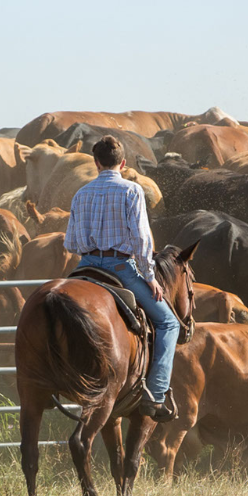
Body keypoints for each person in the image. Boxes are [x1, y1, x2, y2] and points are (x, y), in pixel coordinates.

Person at [65, 137, 179, 422]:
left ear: (96, 162)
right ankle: (156, 392)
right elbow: (141, 240)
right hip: (119, 268)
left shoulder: (81, 194)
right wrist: (150, 277)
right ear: (123, 163)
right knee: (168, 323)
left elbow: (70, 243)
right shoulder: (132, 190)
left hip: (86, 265)